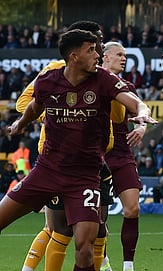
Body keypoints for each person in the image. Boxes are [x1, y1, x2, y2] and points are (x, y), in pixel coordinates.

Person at [2, 29, 156, 271]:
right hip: (47, 171)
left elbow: (133, 101)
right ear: (74, 56)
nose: (98, 55)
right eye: (92, 50)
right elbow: (34, 106)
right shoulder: (48, 80)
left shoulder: (103, 80)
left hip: (84, 177)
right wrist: (20, 124)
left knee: (85, 246)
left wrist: (143, 113)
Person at [17, 21, 117, 271]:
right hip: (56, 159)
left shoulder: (103, 77)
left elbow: (117, 114)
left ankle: (102, 264)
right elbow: (23, 104)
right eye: (96, 42)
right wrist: (59, 115)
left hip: (94, 160)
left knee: (98, 225)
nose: (100, 47)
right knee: (56, 227)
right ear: (79, 49)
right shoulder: (54, 71)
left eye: (101, 42)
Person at [102, 41, 147, 271]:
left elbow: (141, 110)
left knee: (133, 208)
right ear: (105, 57)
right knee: (99, 220)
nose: (123, 58)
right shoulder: (92, 83)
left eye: (125, 55)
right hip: (96, 157)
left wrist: (141, 128)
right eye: (119, 54)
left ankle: (128, 266)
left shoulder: (127, 86)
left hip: (121, 153)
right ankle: (103, 261)